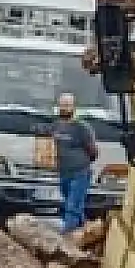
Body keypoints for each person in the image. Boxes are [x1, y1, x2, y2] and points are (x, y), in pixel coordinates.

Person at [50, 91, 98, 233]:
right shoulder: (55, 126)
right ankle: (85, 232)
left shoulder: (82, 127)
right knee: (72, 205)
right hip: (64, 172)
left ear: (73, 108)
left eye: (68, 105)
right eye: (63, 105)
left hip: (80, 172)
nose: (65, 108)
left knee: (72, 205)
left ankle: (67, 236)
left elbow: (93, 151)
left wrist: (82, 162)